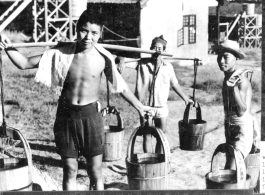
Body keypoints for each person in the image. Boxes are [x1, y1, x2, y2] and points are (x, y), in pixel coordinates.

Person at [0, 10, 153, 191]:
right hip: (65, 116)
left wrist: (140, 106)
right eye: (83, 30)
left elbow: (121, 87)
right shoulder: (61, 53)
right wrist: (7, 45)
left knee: (95, 171)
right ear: (76, 28)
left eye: (94, 33)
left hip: (91, 117)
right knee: (70, 169)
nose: (88, 37)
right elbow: (24, 63)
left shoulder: (104, 58)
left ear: (101, 33)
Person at [117, 35, 193, 153]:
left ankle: (158, 160)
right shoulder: (141, 63)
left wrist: (185, 98)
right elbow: (123, 60)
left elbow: (175, 84)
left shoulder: (168, 67)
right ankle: (148, 161)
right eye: (154, 47)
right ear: (150, 48)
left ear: (164, 51)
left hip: (161, 107)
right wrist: (121, 59)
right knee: (147, 135)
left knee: (160, 136)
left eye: (159, 48)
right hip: (145, 107)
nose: (157, 50)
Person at [213, 39, 259, 170]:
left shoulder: (241, 81)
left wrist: (233, 89)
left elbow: (241, 110)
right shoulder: (227, 78)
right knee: (234, 168)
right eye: (219, 56)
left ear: (236, 58)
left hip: (241, 130)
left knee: (231, 170)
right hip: (230, 127)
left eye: (226, 57)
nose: (221, 61)